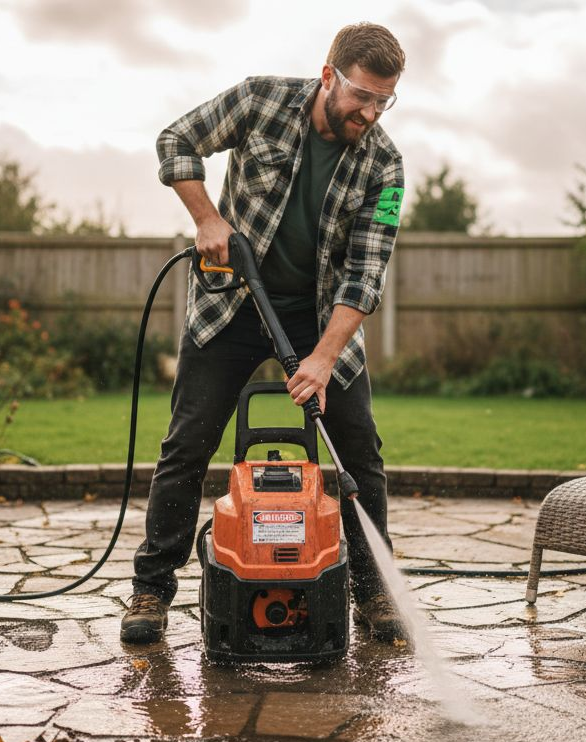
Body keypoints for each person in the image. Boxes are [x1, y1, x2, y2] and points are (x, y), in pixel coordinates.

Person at [121, 23, 407, 645]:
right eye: (362, 94)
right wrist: (207, 218)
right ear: (328, 74)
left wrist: (324, 358)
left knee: (360, 452)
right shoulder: (260, 101)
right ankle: (152, 587)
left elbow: (365, 275)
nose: (370, 111)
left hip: (321, 319)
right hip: (231, 304)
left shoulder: (385, 165)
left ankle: (374, 592)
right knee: (187, 445)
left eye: (384, 100)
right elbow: (178, 139)